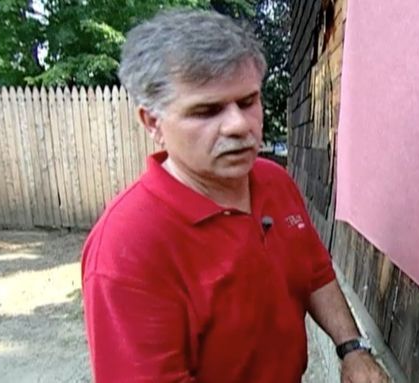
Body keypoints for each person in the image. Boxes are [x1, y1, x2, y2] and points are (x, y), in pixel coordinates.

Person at [81, 8, 388, 383]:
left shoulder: (274, 181)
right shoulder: (127, 246)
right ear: (153, 123)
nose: (239, 125)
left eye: (247, 101)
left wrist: (352, 348)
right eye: (206, 111)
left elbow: (316, 272)